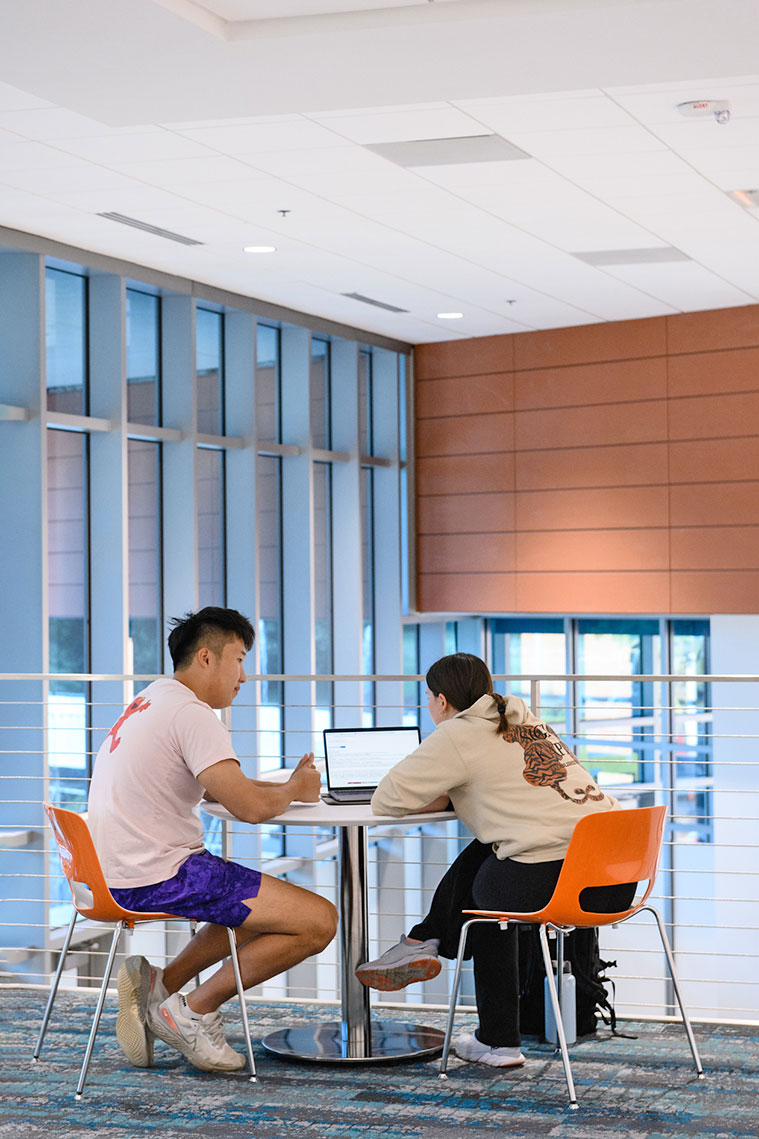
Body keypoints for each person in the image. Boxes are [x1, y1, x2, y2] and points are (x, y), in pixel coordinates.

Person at [88, 606, 338, 1074]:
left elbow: (224, 785)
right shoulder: (193, 715)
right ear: (206, 658)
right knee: (319, 921)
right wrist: (291, 792)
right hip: (159, 874)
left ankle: (161, 983)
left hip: (113, 872)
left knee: (268, 910)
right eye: (239, 659)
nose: (244, 675)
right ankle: (190, 1012)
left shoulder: (151, 700)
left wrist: (288, 789)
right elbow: (250, 809)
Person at [355, 653, 635, 1069]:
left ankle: (497, 1040)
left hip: (560, 879)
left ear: (442, 701)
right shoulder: (524, 718)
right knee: (491, 853)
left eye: (428, 699)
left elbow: (387, 799)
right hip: (616, 876)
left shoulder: (456, 734)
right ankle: (422, 940)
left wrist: (449, 787)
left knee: (485, 903)